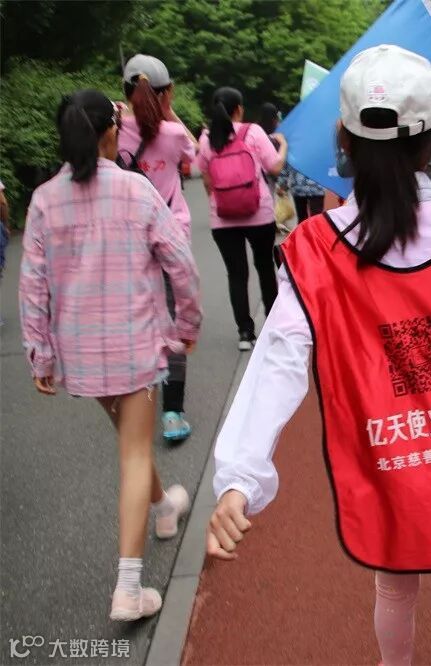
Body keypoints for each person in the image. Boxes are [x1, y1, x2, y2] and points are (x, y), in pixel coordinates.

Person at [206, 45, 431, 665]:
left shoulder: (314, 249)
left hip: (387, 466)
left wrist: (240, 477)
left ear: (343, 139)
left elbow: (279, 360)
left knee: (394, 591)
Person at [19, 90, 201, 621]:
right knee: (133, 453)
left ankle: (163, 506)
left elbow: (32, 286)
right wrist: (187, 324)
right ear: (109, 133)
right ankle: (128, 589)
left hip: (80, 354)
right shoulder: (135, 189)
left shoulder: (44, 201)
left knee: (130, 439)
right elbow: (181, 263)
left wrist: (40, 354)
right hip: (134, 346)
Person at [118, 54, 199, 442]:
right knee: (174, 321)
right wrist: (168, 112)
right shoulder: (173, 134)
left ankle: (138, 402)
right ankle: (172, 414)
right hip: (171, 238)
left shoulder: (113, 129)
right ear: (168, 92)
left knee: (137, 319)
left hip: (128, 241)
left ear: (126, 92)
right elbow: (196, 159)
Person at [196, 87, 287, 351]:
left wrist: (220, 201)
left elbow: (206, 178)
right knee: (265, 268)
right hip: (259, 214)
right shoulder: (253, 132)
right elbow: (274, 167)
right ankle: (272, 327)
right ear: (238, 109)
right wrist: (283, 146)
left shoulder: (207, 139)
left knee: (236, 274)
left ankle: (245, 333)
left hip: (223, 219)